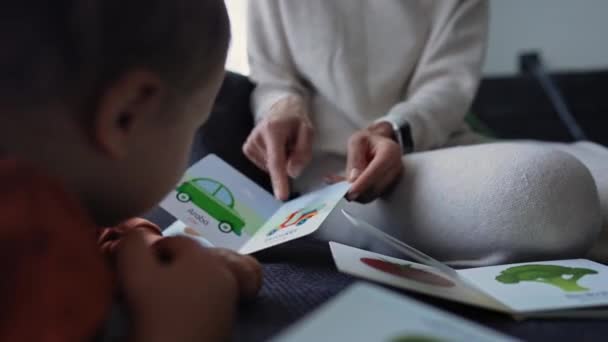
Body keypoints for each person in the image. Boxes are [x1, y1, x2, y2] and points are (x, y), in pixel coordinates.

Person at [244, 0, 607, 264]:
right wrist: (282, 108)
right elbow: (273, 78)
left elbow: (447, 85)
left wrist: (394, 131)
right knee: (547, 193)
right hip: (338, 175)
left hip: (435, 142)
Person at [0, 1, 262, 341]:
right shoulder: (39, 257)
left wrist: (132, 246)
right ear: (127, 114)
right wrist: (189, 327)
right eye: (195, 125)